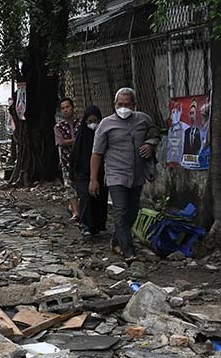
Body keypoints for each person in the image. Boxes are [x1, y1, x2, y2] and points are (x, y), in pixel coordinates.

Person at [89, 87, 159, 263]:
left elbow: (155, 133)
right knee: (120, 211)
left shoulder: (143, 119)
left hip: (136, 174)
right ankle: (129, 252)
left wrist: (150, 144)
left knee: (132, 211)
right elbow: (96, 153)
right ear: (114, 104)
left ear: (134, 105)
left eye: (127, 104)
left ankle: (116, 241)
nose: (123, 108)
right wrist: (93, 179)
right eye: (120, 104)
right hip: (115, 174)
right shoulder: (105, 125)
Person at [70, 105, 107, 237]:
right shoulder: (81, 138)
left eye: (95, 121)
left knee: (98, 199)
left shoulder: (103, 136)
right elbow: (74, 157)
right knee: (85, 198)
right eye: (89, 121)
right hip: (82, 173)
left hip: (100, 173)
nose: (93, 124)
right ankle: (85, 225)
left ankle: (96, 225)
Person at [54, 97, 81, 221]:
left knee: (81, 186)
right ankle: (76, 212)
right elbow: (61, 142)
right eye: (63, 108)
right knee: (70, 186)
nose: (66, 110)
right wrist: (77, 141)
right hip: (67, 161)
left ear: (72, 108)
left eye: (68, 107)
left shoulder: (81, 123)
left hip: (82, 160)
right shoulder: (59, 127)